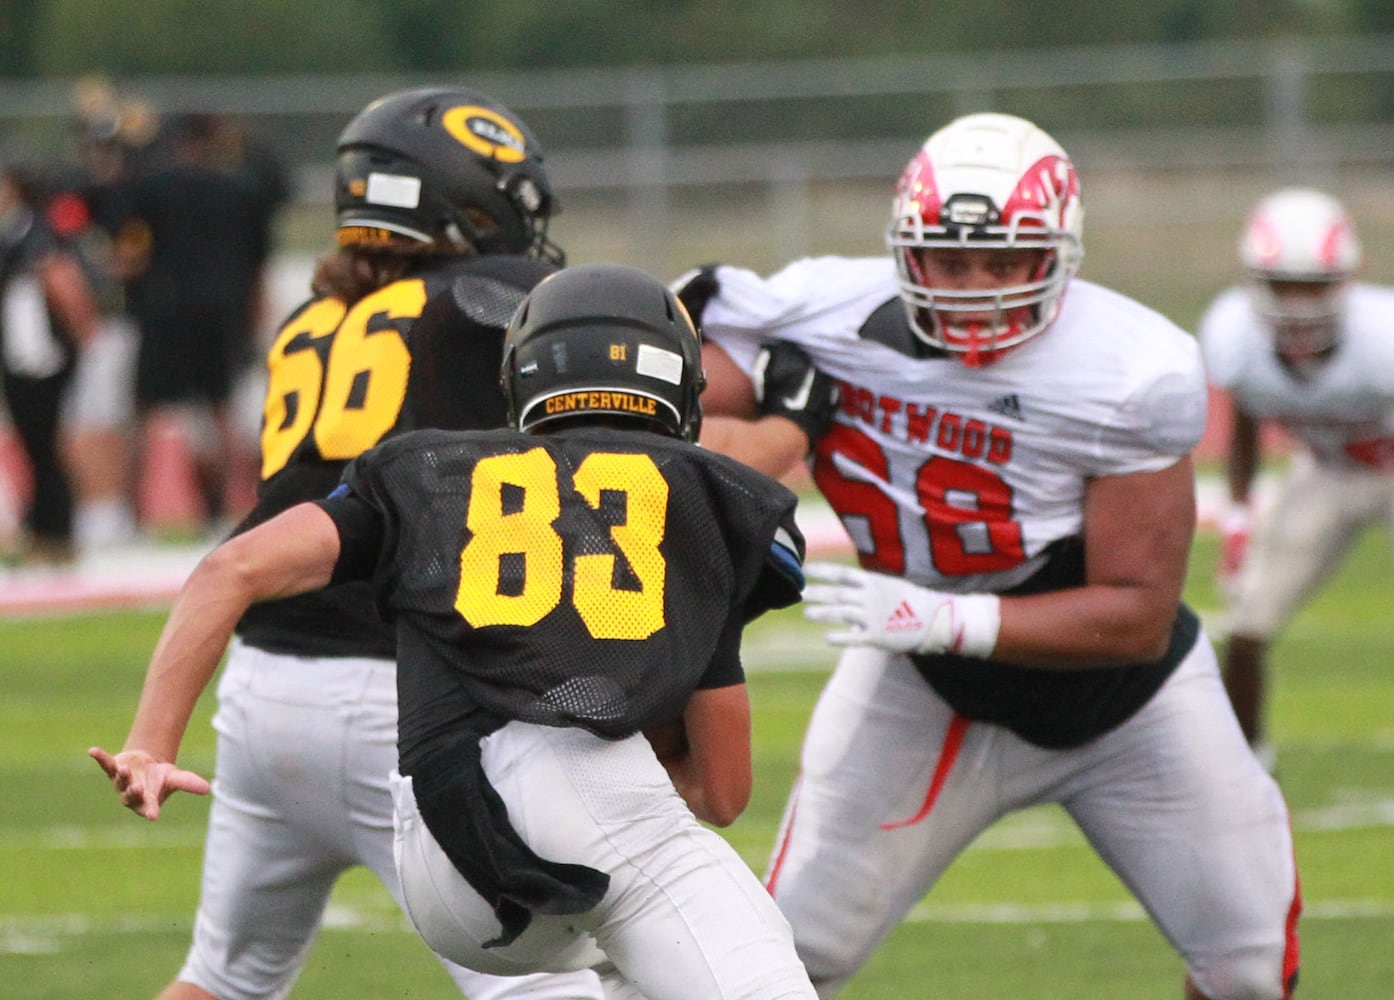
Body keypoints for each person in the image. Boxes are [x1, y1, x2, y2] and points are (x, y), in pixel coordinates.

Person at [679, 112, 1302, 1000]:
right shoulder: (826, 311)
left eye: (1003, 263)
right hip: (924, 685)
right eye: (952, 262)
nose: (975, 289)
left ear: (1057, 256)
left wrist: (941, 617)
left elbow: (1135, 615)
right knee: (784, 957)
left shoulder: (1129, 369)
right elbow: (662, 397)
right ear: (905, 252)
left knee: (1248, 967)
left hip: (1123, 703)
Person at [92, 262, 821, 1000]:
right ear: (677, 382)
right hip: (589, 814)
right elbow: (723, 794)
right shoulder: (710, 500)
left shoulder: (426, 471)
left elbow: (230, 570)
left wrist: (150, 746)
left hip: (437, 855)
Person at [90, 87, 602, 1000]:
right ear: (466, 200)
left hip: (265, 689)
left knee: (223, 977)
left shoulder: (311, 318)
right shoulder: (487, 296)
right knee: (542, 984)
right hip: (398, 690)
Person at [1198, 186, 1394, 767]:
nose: (1301, 304)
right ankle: (1244, 766)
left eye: (1313, 285)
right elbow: (1245, 427)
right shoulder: (1234, 336)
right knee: (1249, 619)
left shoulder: (1382, 338)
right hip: (1327, 473)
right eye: (1286, 284)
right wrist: (1238, 518)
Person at [112, 112, 271, 535]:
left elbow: (129, 255)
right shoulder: (242, 190)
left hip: (164, 308)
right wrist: (254, 322)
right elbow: (258, 268)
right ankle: (221, 512)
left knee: (145, 413)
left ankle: (133, 518)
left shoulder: (151, 188)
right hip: (221, 311)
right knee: (221, 412)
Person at [0, 160, 100, 565]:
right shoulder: (18, 231)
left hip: (39, 357)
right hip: (25, 355)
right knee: (34, 443)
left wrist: (82, 335)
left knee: (43, 442)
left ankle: (56, 531)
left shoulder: (35, 232)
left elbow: (63, 282)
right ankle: (42, 526)